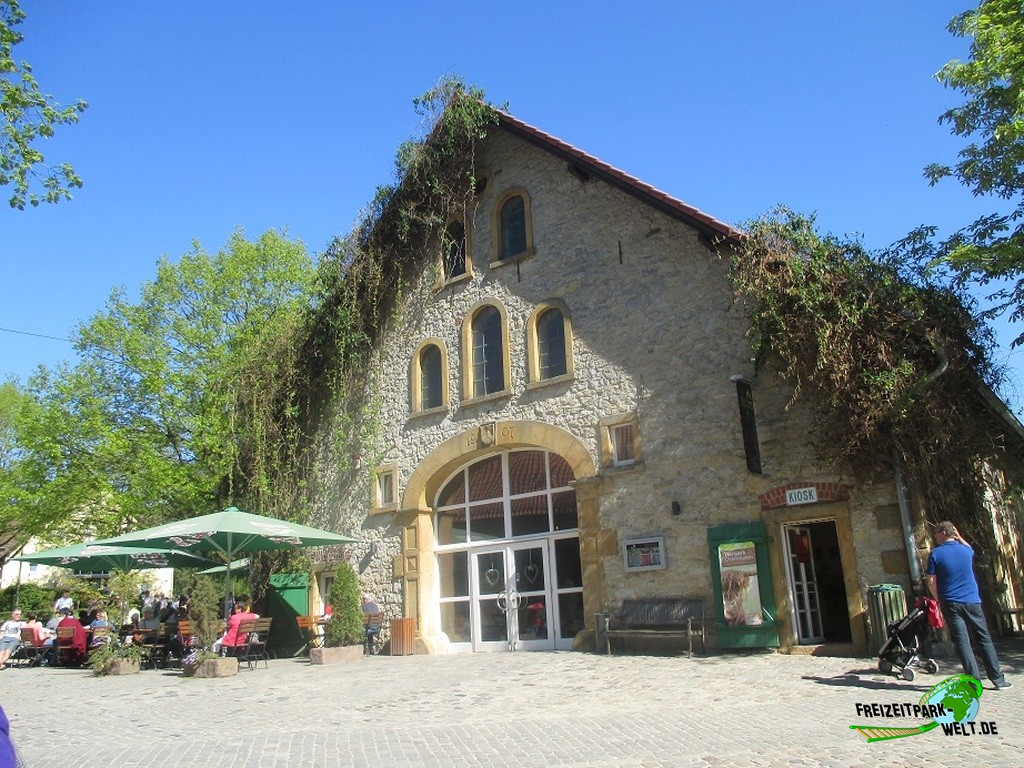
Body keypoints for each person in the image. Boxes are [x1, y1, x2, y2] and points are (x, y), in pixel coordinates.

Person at [926, 520, 1012, 690]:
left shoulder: (935, 554)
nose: (935, 536)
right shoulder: (965, 550)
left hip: (951, 602)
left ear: (943, 533)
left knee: (962, 642)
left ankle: (973, 683)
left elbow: (930, 580)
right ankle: (998, 679)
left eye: (936, 533)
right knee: (984, 639)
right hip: (972, 601)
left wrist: (938, 599)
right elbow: (970, 548)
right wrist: (959, 537)